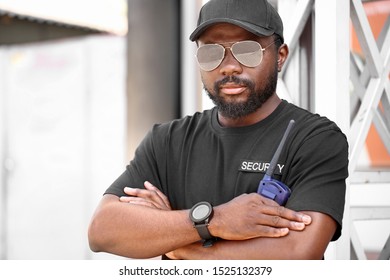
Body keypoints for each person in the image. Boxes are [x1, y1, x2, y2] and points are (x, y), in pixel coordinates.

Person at [88, 0, 348, 260]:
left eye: (248, 50)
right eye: (211, 52)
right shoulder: (167, 141)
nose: (229, 66)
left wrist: (175, 242)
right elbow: (103, 230)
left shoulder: (315, 139)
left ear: (280, 56)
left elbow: (298, 253)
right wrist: (215, 219)